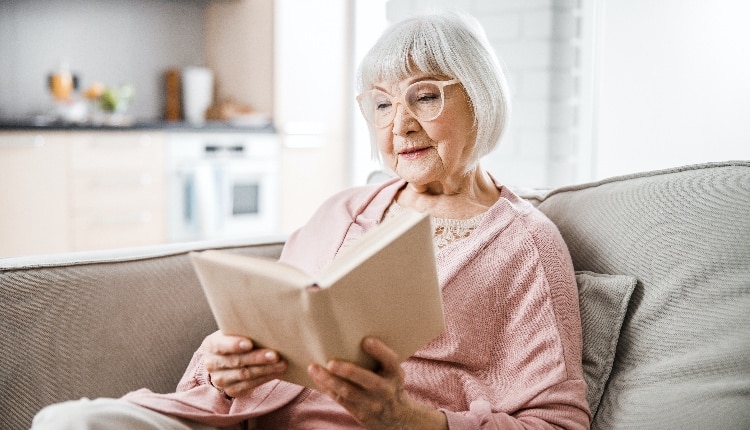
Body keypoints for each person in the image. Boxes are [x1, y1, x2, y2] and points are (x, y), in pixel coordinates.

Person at [32, 11, 591, 429]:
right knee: (69, 423)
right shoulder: (344, 210)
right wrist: (221, 368)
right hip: (240, 420)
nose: (400, 124)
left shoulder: (526, 244)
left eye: (424, 97)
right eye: (380, 103)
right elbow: (266, 326)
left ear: (483, 99)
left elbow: (560, 423)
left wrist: (405, 417)